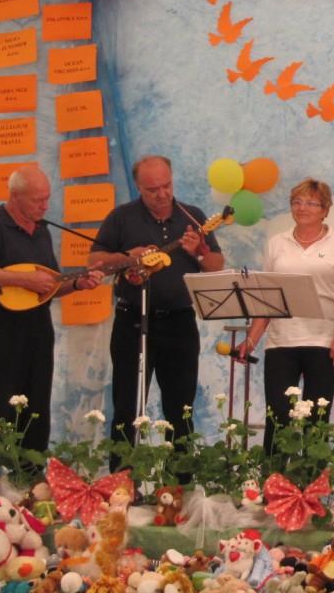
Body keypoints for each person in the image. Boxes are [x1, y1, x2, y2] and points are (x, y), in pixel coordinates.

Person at [88, 155, 224, 466]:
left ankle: (180, 483)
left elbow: (216, 265)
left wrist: (198, 252)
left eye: (167, 186)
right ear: (138, 187)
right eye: (153, 190)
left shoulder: (193, 215)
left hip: (179, 322)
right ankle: (122, 481)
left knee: (181, 409)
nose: (162, 194)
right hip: (132, 322)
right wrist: (129, 257)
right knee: (126, 406)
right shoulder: (121, 217)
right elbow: (95, 261)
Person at [0, 165, 104, 452]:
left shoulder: (42, 231)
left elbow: (50, 285)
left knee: (36, 405)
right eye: (38, 199)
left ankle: (31, 472)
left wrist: (78, 283)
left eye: (47, 198)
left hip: (37, 327)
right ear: (15, 196)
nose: (45, 205)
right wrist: (23, 279)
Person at [239, 178, 334, 451]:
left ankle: (312, 478)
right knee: (278, 417)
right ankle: (274, 475)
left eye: (311, 203)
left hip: (324, 342)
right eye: (297, 202)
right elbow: (267, 298)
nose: (302, 208)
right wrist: (251, 339)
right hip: (281, 342)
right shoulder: (276, 243)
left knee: (316, 422)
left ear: (325, 209)